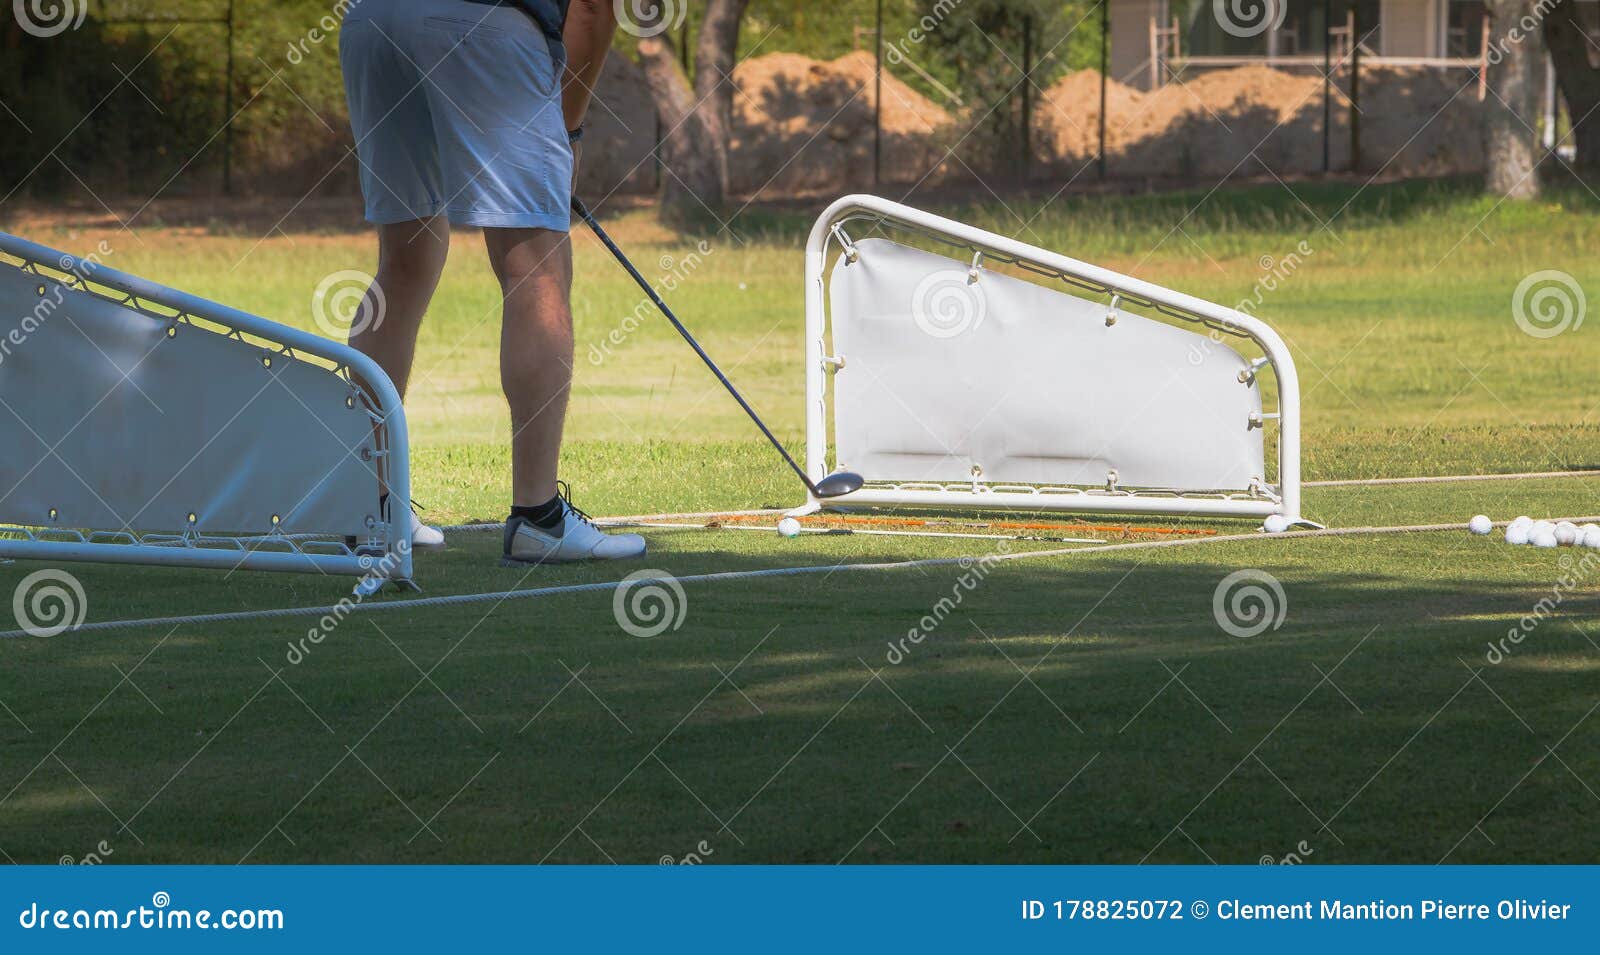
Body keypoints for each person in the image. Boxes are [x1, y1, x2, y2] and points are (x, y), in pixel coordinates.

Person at [338, 0, 645, 564]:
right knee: (535, 265)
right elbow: (594, 9)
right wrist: (570, 129)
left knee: (403, 262)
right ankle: (538, 517)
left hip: (372, 23)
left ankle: (370, 508)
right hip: (483, 25)